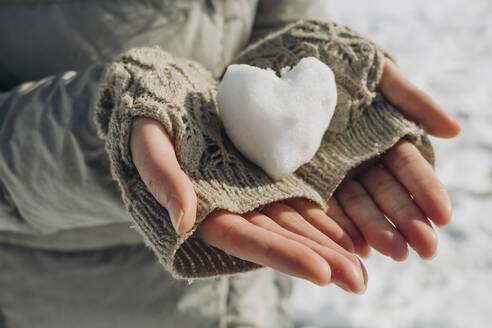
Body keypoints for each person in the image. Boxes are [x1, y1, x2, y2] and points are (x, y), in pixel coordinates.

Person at [0, 0, 460, 327]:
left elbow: (279, 17)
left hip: (248, 300)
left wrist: (297, 51)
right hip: (55, 298)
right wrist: (109, 127)